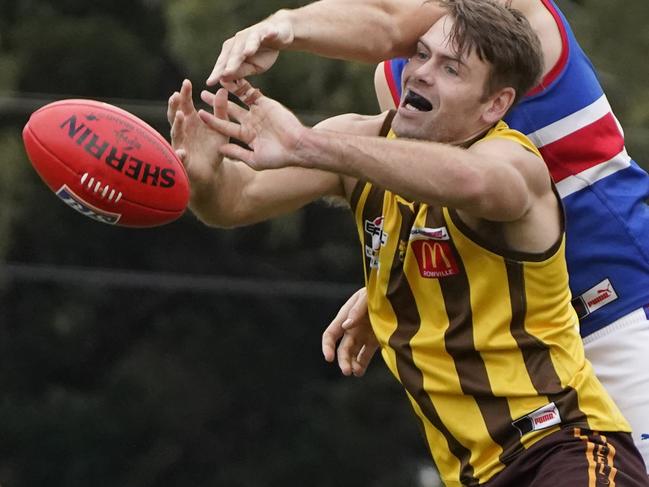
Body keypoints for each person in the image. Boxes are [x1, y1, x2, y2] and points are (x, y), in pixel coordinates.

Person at [170, 1, 649, 484]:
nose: (421, 73)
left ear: (496, 103)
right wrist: (203, 175)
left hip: (623, 309)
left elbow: (472, 178)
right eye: (421, 56)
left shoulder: (507, 27)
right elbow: (242, 200)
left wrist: (284, 28)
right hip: (500, 433)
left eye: (448, 68)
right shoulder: (393, 92)